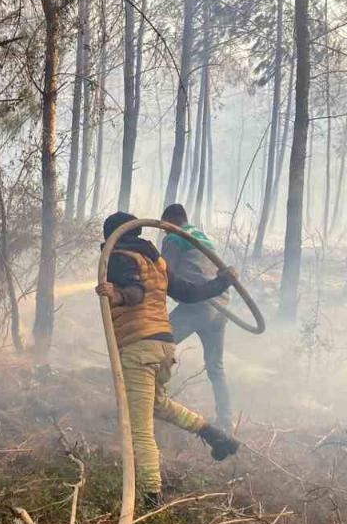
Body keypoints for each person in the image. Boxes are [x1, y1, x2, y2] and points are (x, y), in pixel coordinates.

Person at [95, 212, 241, 507]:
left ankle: (151, 498)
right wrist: (222, 281)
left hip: (138, 349)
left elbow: (134, 292)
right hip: (163, 346)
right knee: (158, 405)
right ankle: (217, 437)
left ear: (111, 237)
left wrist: (118, 295)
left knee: (139, 430)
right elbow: (189, 293)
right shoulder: (155, 261)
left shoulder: (120, 258)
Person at [159, 203, 233, 430]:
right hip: (220, 307)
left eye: (165, 226)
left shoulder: (174, 237)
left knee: (158, 345)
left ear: (171, 220)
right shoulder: (201, 236)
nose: (165, 231)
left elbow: (164, 273)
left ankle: (153, 402)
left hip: (198, 305)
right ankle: (226, 422)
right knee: (215, 367)